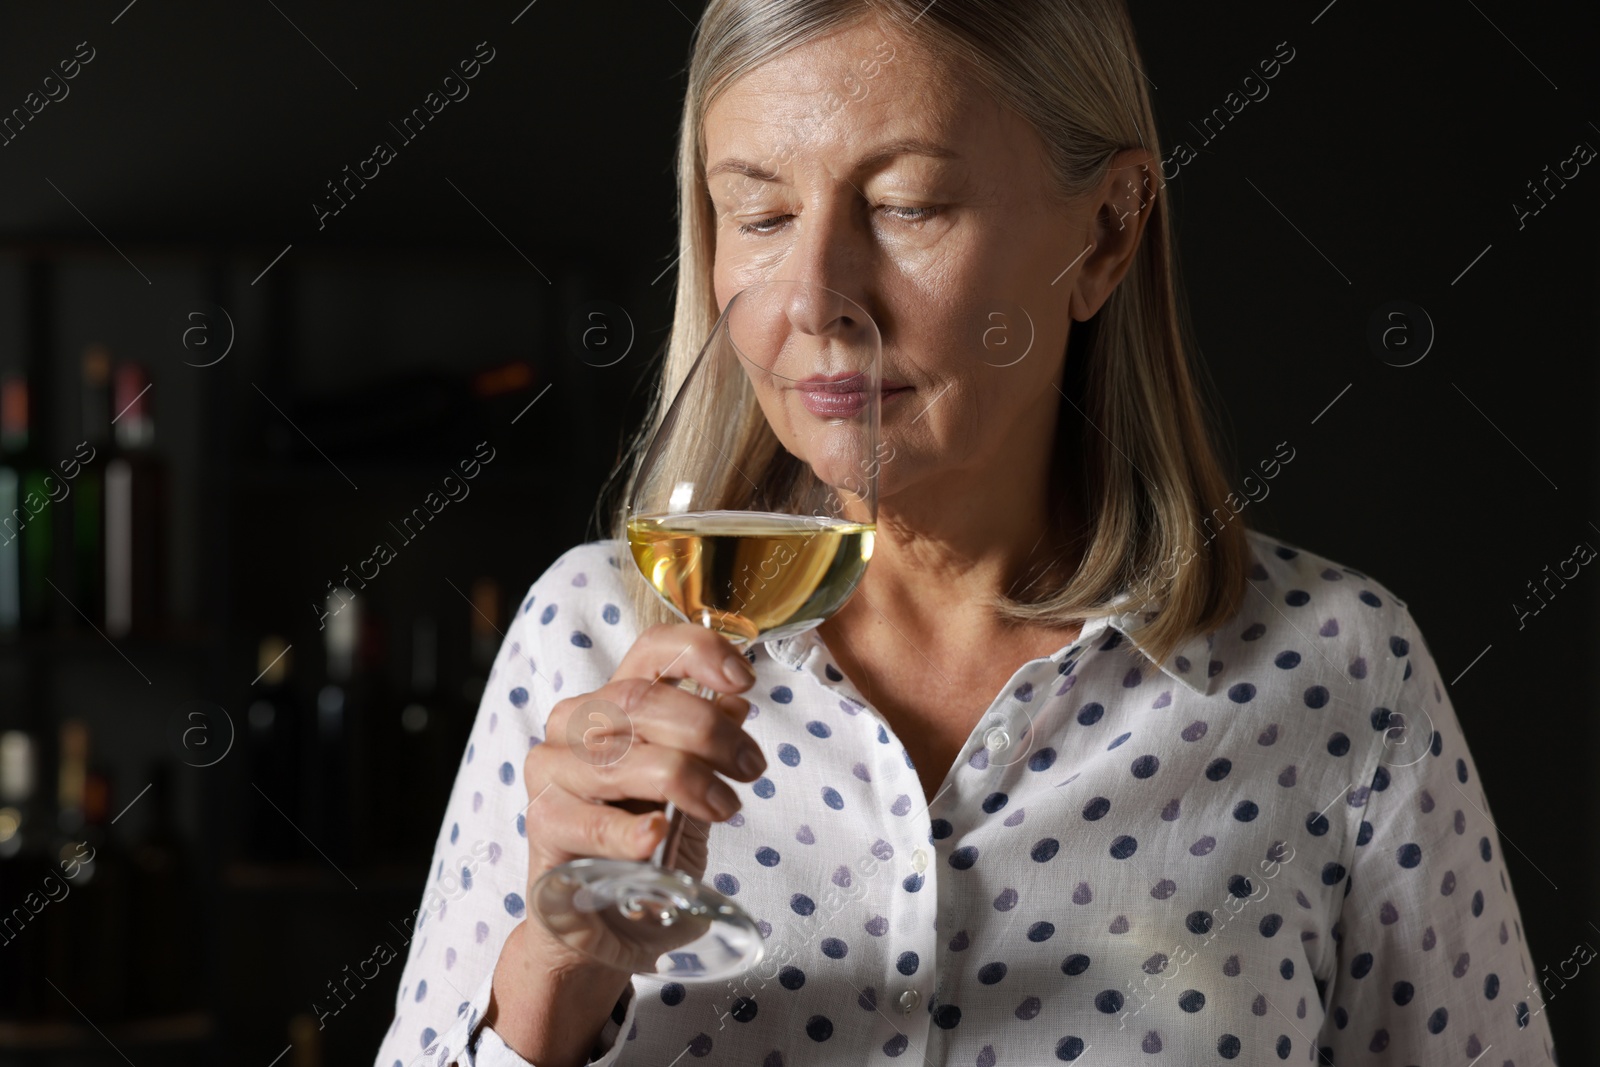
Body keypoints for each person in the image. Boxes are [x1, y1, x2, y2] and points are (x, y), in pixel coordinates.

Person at [373, 1, 1559, 1064]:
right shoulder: (589, 634)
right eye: (762, 211)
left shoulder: (1340, 670)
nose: (815, 295)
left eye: (905, 205)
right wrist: (558, 967)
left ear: (1103, 234)